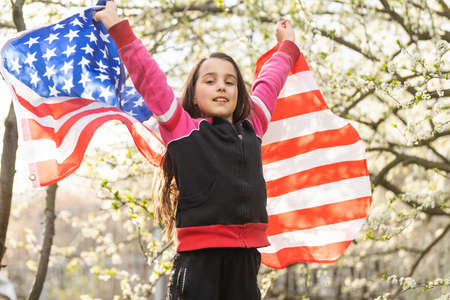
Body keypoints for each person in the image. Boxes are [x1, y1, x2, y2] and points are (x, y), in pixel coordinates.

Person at [94, 2, 300, 299]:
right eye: (210, 80)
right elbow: (148, 76)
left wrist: (287, 48)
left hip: (244, 257)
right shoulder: (181, 127)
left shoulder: (253, 126)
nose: (221, 87)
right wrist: (118, 28)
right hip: (200, 260)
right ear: (193, 92)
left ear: (240, 93)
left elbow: (270, 82)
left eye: (230, 82)